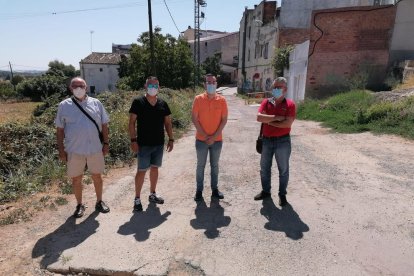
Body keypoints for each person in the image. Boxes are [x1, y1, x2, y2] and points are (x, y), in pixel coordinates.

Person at [55, 77, 111, 218]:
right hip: (74, 150)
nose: (78, 88)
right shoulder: (64, 105)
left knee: (97, 176)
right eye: (75, 86)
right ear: (70, 88)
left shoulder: (96, 103)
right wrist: (61, 150)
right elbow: (60, 130)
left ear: (86, 88)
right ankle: (79, 205)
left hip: (95, 148)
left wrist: (106, 144)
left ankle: (99, 201)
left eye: (81, 86)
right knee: (76, 179)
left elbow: (104, 125)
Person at [128, 76, 174, 212]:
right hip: (143, 144)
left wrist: (171, 139)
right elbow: (131, 123)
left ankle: (152, 194)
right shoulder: (138, 102)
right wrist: (133, 140)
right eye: (150, 85)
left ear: (159, 88)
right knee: (141, 171)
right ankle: (137, 199)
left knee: (155, 169)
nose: (153, 88)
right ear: (145, 86)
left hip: (158, 144)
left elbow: (167, 123)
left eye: (155, 86)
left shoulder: (163, 104)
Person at [254, 77, 296, 206]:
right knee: (264, 168)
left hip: (283, 141)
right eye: (275, 87)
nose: (277, 89)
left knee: (283, 170)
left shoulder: (290, 104)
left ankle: (282, 194)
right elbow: (259, 117)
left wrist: (269, 121)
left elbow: (287, 124)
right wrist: (277, 118)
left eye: (280, 87)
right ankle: (266, 191)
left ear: (285, 89)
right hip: (266, 141)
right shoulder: (266, 102)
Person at [192, 74, 228, 201]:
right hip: (201, 140)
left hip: (217, 141)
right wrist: (206, 136)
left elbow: (224, 120)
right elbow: (194, 119)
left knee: (215, 166)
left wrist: (214, 136)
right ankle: (199, 191)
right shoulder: (198, 99)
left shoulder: (222, 100)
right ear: (204, 84)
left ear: (216, 84)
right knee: (200, 166)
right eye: (209, 82)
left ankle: (214, 190)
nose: (211, 84)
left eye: (213, 82)